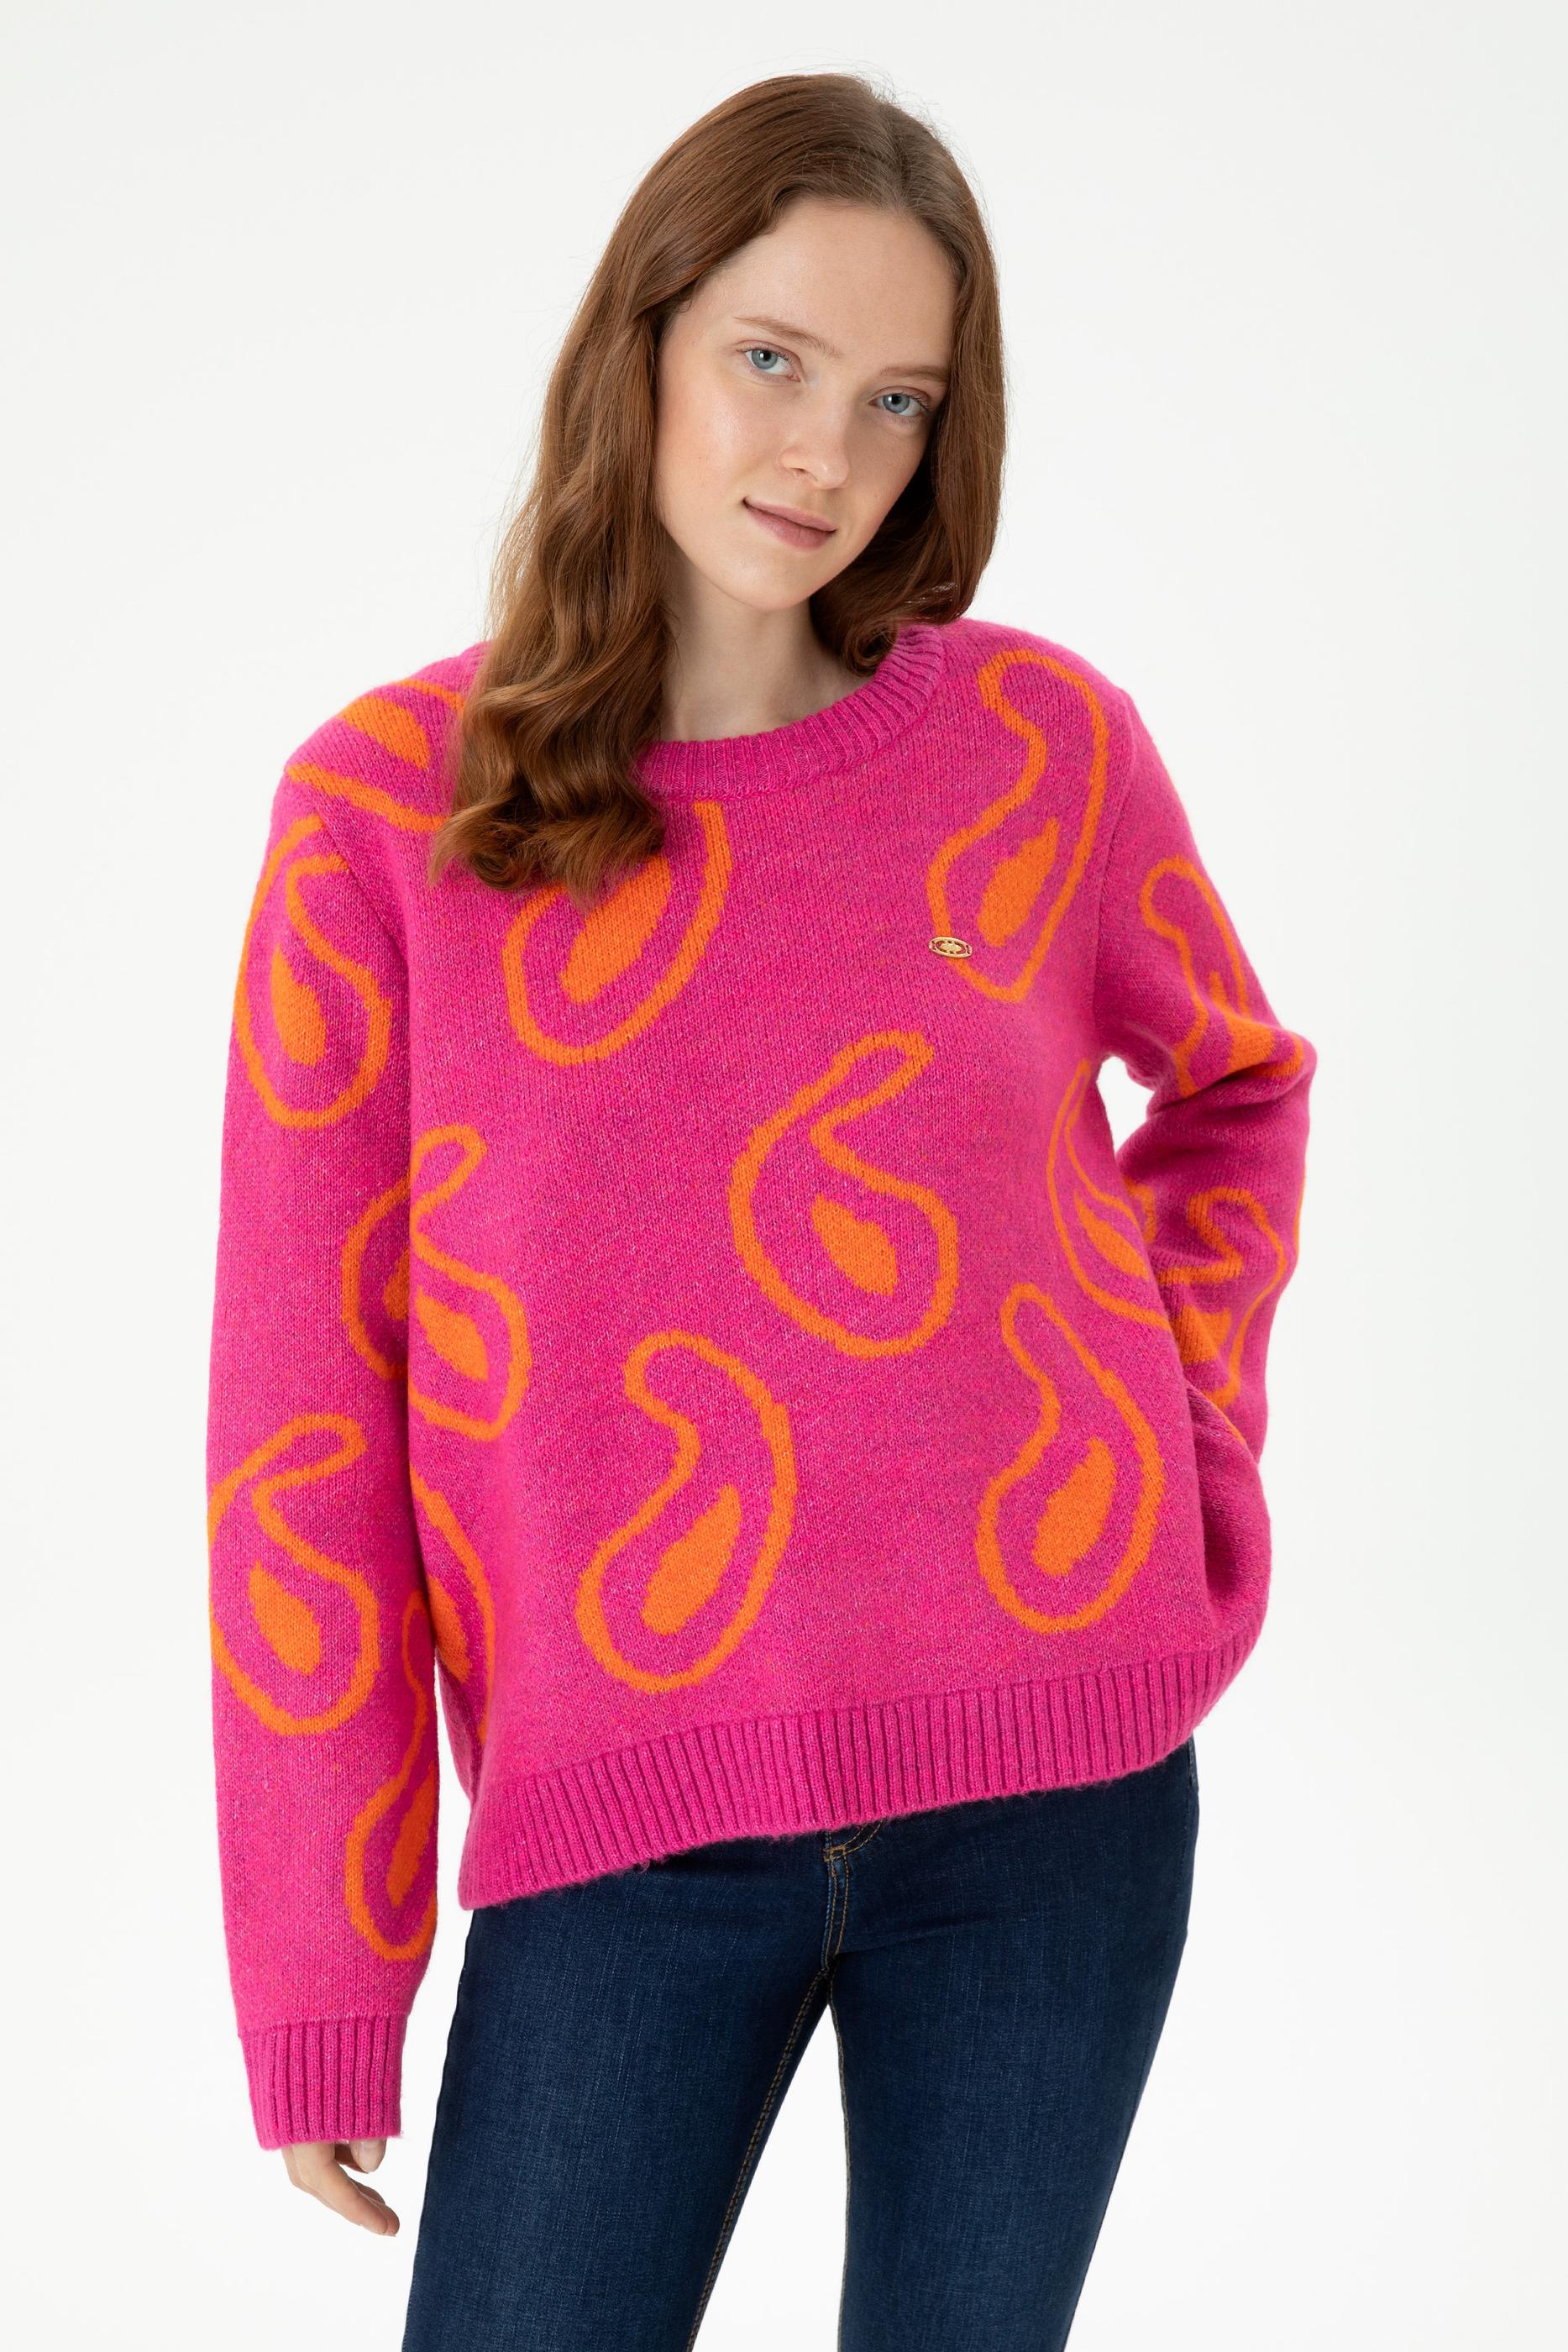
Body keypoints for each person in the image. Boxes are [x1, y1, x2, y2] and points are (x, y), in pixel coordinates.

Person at [205, 70, 1316, 2351]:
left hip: (1056, 1795)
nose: (825, 456)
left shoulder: (1039, 753)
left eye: (897, 399)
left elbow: (1234, 1087)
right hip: (621, 1834)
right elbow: (301, 1421)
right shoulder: (387, 817)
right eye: (773, 359)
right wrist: (326, 1969)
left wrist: (1178, 1435)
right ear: (638, 341)